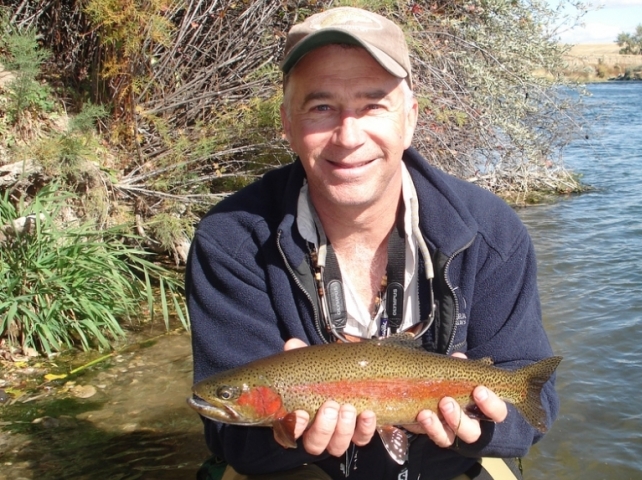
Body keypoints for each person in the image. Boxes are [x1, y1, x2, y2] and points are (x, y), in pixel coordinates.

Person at [187, 7, 558, 480]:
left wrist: (480, 427)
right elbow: (229, 437)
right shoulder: (232, 241)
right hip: (299, 471)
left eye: (373, 105)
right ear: (286, 122)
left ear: (410, 118)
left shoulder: (490, 233)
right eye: (321, 108)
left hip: (454, 466)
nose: (348, 136)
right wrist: (281, 437)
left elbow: (535, 404)